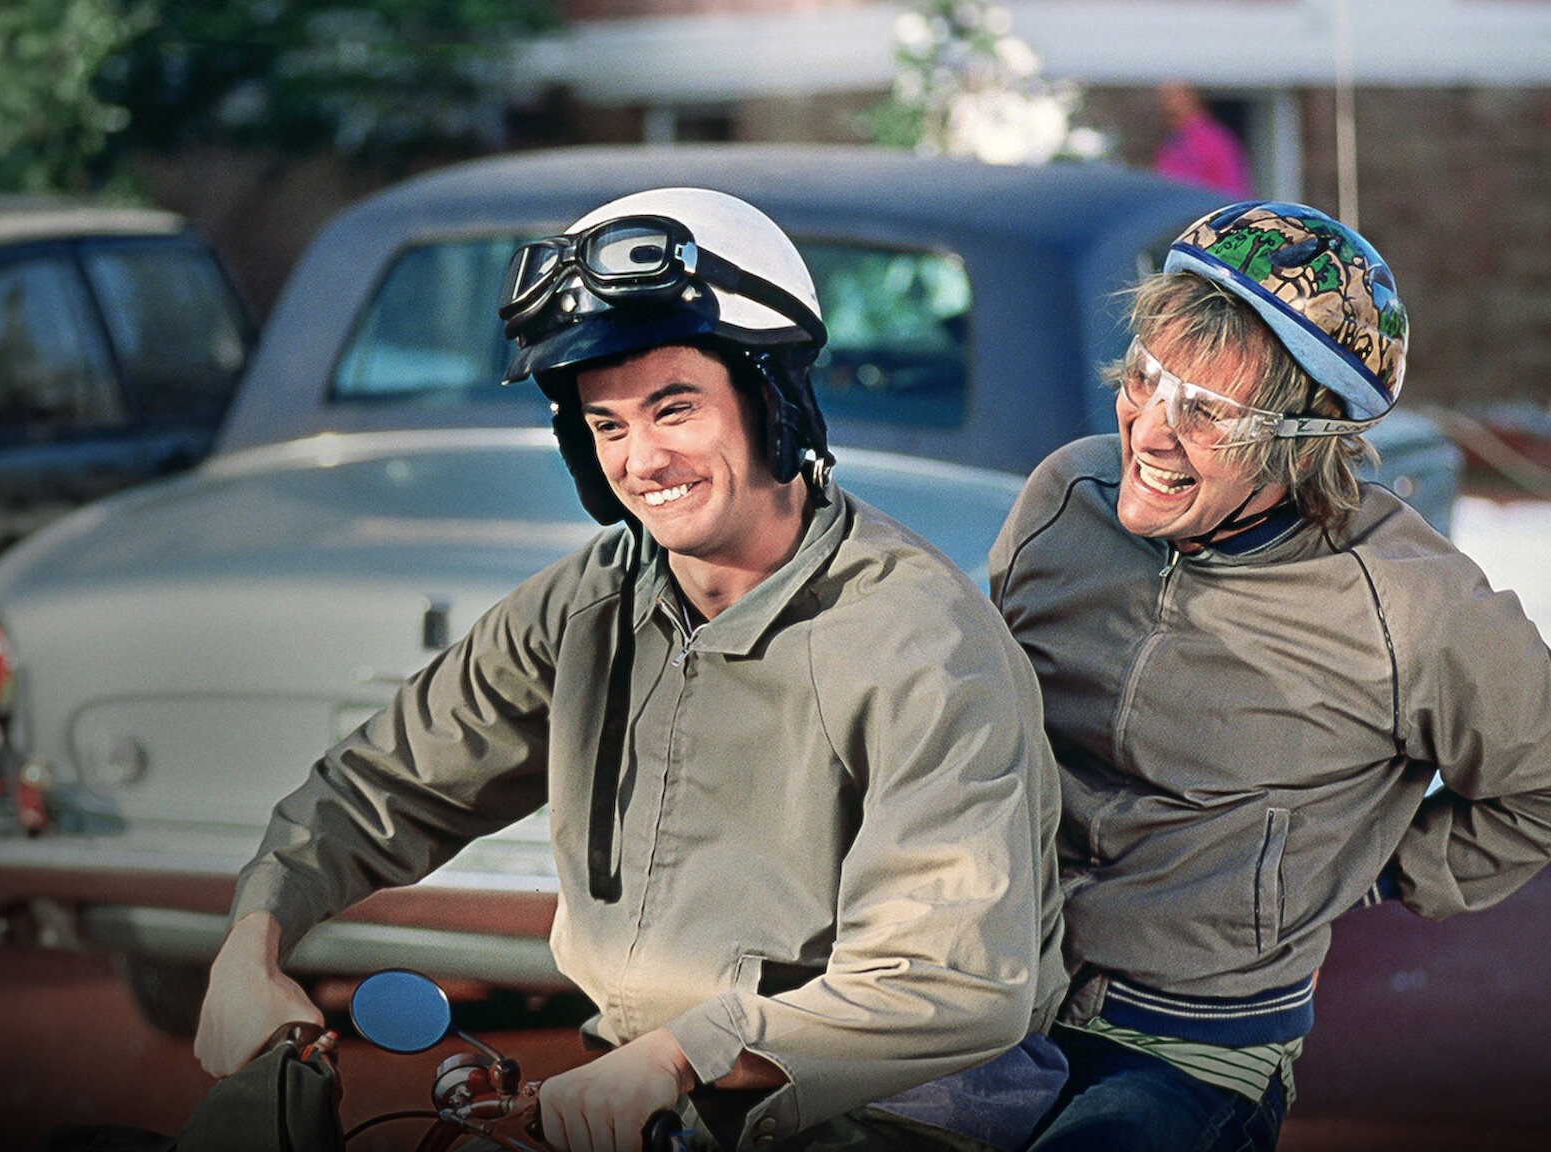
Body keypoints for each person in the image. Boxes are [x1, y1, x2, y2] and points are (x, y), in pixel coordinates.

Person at [194, 188, 1072, 1152]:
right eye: (606, 425)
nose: (642, 459)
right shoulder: (592, 601)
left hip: (893, 1110)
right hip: (649, 1088)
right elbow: (384, 783)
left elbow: (948, 979)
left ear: (773, 401)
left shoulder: (920, 639)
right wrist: (252, 943)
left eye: (674, 409)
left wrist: (682, 1055)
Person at [989, 200, 1551, 1151]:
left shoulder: (1408, 606)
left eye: (1206, 412)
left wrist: (1368, 875)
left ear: (1302, 440)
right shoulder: (1065, 497)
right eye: (1146, 377)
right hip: (994, 990)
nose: (1149, 432)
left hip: (1185, 1046)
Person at [1153, 82, 1253, 199]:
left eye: (1172, 95)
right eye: (1162, 95)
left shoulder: (1214, 140)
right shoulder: (1172, 140)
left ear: (1191, 96)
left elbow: (1234, 191)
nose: (1165, 101)